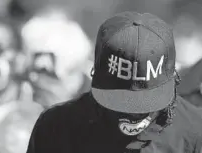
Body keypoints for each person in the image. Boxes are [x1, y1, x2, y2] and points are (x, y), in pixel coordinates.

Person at [26, 12, 202, 153]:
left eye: (146, 103)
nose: (134, 113)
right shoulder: (56, 126)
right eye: (122, 102)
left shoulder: (195, 133)